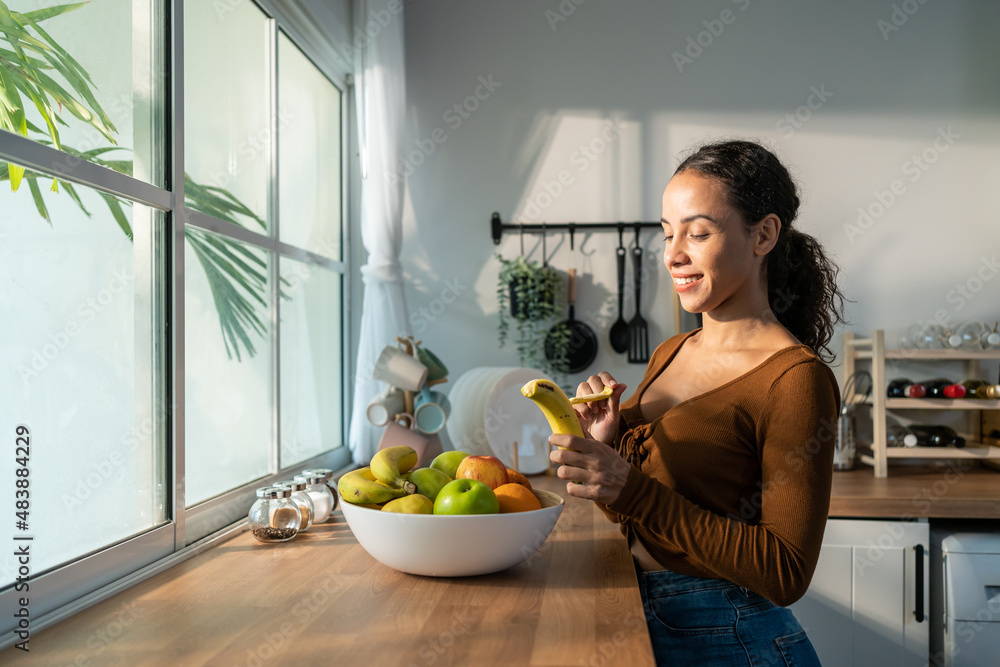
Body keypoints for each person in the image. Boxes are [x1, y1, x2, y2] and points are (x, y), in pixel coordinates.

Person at [548, 139, 846, 666]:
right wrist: (607, 451)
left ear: (764, 235)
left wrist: (628, 485)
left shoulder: (796, 380)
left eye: (698, 232)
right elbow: (642, 520)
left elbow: (786, 572)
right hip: (642, 617)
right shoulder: (672, 350)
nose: (673, 254)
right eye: (667, 233)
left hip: (731, 637)